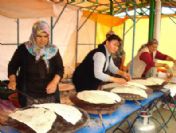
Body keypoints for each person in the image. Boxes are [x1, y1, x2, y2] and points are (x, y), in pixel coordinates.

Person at [8, 21, 64, 107]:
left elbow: (60, 69)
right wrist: (12, 80)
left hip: (49, 93)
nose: (43, 40)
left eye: (46, 36)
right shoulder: (24, 49)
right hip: (28, 94)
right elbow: (12, 66)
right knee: (31, 117)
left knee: (50, 116)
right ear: (34, 35)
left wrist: (54, 82)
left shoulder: (53, 50)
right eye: (39, 36)